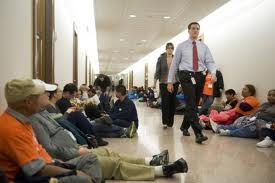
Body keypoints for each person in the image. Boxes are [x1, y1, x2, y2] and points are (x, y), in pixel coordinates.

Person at [29, 83, 189, 181]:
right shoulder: (33, 119)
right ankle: (161, 170)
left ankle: (150, 160)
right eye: (44, 93)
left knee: (109, 151)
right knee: (113, 162)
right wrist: (76, 150)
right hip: (69, 157)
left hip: (76, 148)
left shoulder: (42, 113)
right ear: (31, 99)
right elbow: (50, 151)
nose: (48, 94)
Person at [0, 79, 99, 183]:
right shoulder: (12, 128)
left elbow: (39, 151)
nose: (47, 96)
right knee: (81, 179)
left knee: (89, 160)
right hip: (27, 178)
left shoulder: (23, 120)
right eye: (39, 95)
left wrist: (56, 163)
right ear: (29, 101)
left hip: (45, 165)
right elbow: (37, 170)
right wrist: (72, 172)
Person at [167, 22, 217, 144]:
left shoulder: (203, 47)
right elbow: (174, 65)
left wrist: (213, 73)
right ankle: (198, 133)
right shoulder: (181, 46)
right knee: (190, 102)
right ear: (188, 31)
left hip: (200, 76)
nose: (195, 30)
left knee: (193, 104)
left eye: (197, 29)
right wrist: (169, 81)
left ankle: (184, 126)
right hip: (185, 75)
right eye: (193, 28)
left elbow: (210, 61)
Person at [47, 85, 136, 138]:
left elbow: (124, 115)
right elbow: (62, 121)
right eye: (59, 91)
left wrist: (109, 116)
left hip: (78, 125)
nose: (61, 92)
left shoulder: (58, 104)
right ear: (54, 94)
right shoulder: (59, 104)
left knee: (102, 126)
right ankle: (123, 132)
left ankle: (123, 132)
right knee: (101, 127)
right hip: (76, 127)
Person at [154, 42, 179, 128]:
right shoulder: (161, 58)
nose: (170, 49)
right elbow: (157, 72)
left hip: (174, 83)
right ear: (166, 49)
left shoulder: (176, 58)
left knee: (172, 103)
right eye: (168, 48)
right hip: (164, 83)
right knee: (165, 102)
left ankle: (170, 122)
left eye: (171, 48)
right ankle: (165, 121)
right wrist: (154, 83)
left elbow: (178, 71)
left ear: (173, 49)